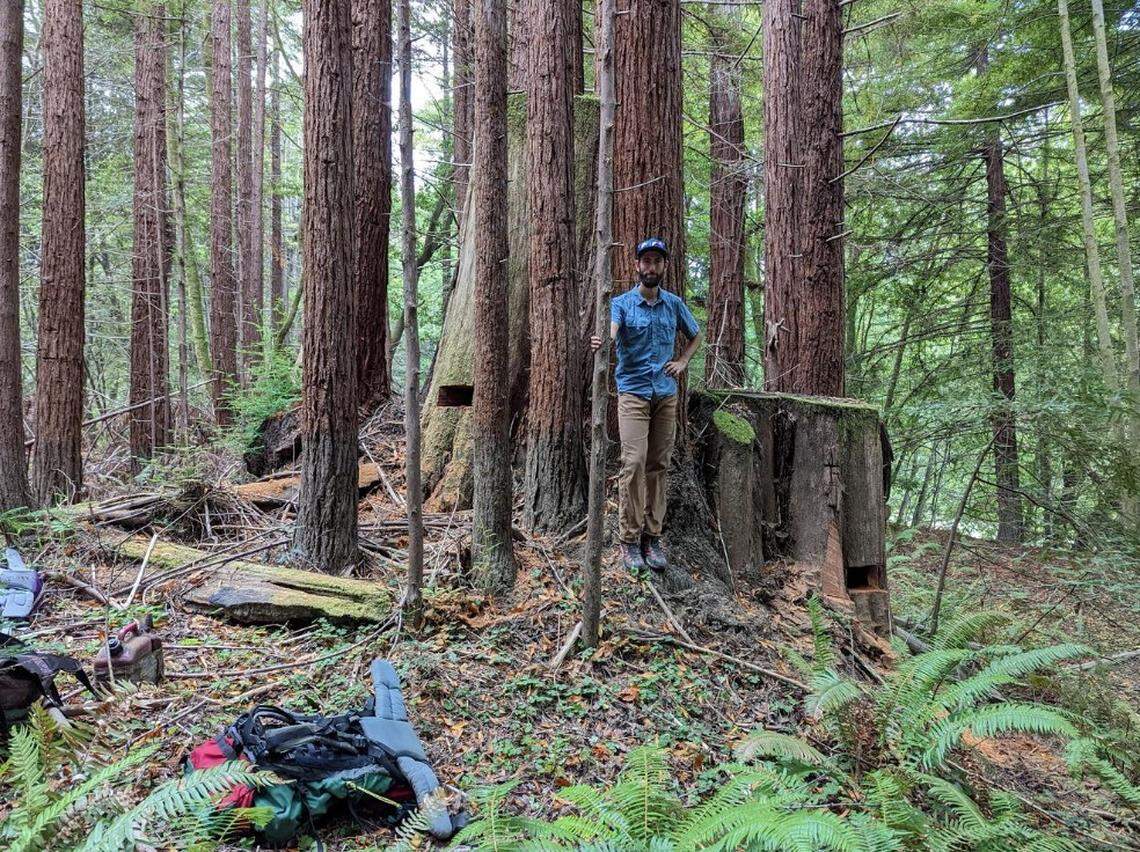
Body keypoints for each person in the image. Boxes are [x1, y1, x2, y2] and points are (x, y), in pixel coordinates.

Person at [590, 237, 703, 571]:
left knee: (658, 465)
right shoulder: (622, 304)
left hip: (666, 394)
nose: (650, 267)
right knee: (634, 463)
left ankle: (651, 539)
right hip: (634, 394)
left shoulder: (674, 304)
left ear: (664, 266)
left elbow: (695, 334)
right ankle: (628, 539)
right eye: (646, 261)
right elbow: (611, 333)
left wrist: (682, 360)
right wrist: (603, 341)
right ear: (637, 266)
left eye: (657, 261)